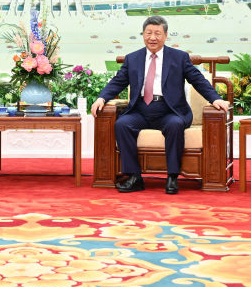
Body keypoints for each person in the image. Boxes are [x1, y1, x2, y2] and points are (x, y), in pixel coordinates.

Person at [91, 15, 229, 194]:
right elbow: (118, 82)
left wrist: (215, 99)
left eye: (157, 33)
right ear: (143, 35)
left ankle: (172, 177)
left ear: (165, 35)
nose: (152, 37)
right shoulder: (133, 58)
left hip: (170, 110)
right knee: (122, 124)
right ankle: (134, 177)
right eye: (148, 33)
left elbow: (198, 80)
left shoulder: (179, 57)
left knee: (175, 125)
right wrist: (101, 98)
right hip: (141, 110)